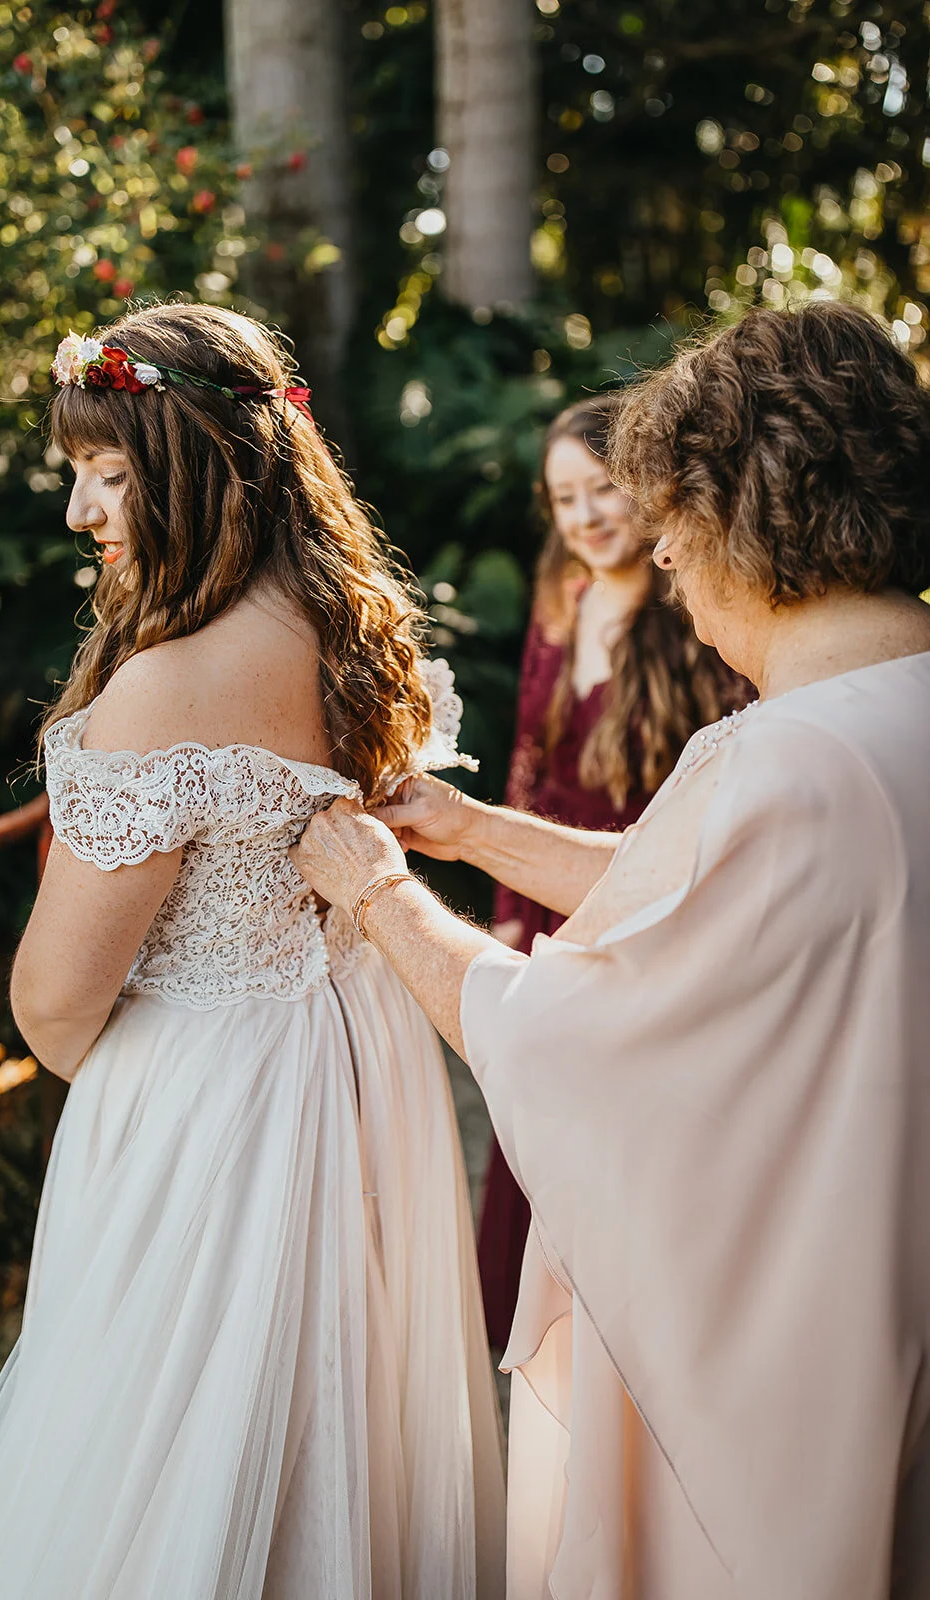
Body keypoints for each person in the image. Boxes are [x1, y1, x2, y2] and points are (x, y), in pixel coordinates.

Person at [291, 300, 930, 1600]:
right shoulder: (878, 717)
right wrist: (472, 831)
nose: (668, 567)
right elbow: (694, 905)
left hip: (787, 1351)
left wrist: (382, 897)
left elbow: (567, 1039)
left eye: (671, 522)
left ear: (730, 511)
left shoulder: (784, 758)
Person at [0, 305, 504, 1600]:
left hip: (208, 1108)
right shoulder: (358, 637)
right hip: (353, 1080)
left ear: (199, 469)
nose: (76, 512)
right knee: (329, 1437)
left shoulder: (164, 692)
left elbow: (53, 1005)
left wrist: (135, 1103)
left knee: (152, 1460)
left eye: (106, 473)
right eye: (74, 473)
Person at [478, 394, 748, 1349]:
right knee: (542, 1124)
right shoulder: (562, 599)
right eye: (563, 499)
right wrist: (511, 912)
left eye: (603, 490)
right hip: (553, 903)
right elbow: (526, 762)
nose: (586, 516)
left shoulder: (704, 608)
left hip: (652, 899)